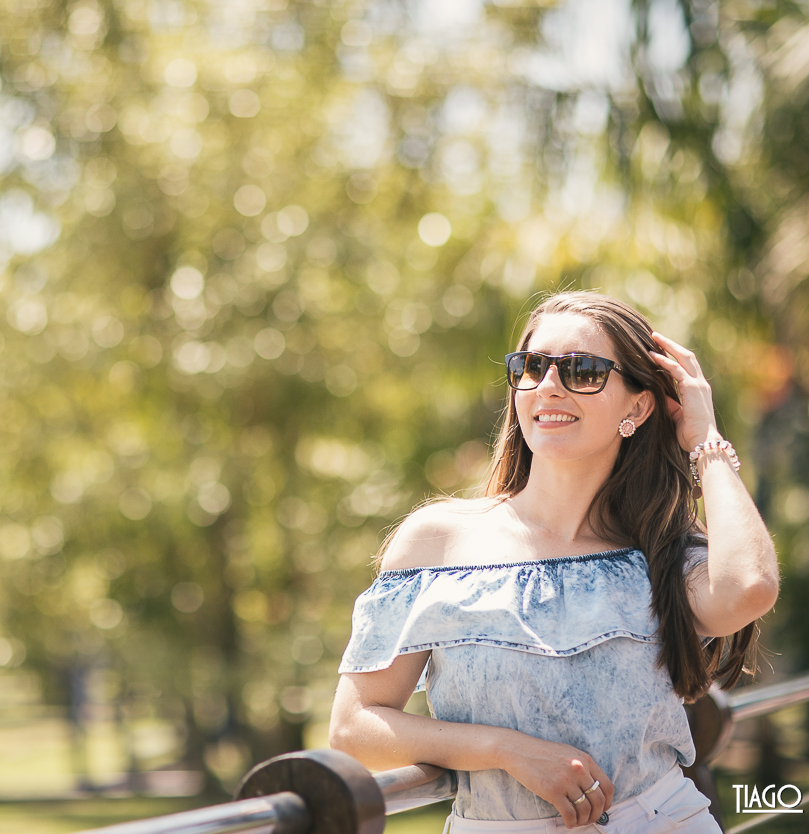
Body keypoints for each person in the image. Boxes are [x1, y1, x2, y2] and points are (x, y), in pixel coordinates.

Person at [328, 292, 779, 833]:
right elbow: (354, 728)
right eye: (533, 366)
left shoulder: (662, 552)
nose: (549, 386)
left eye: (583, 370)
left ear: (636, 408)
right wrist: (507, 750)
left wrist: (704, 439)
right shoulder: (436, 543)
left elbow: (749, 588)